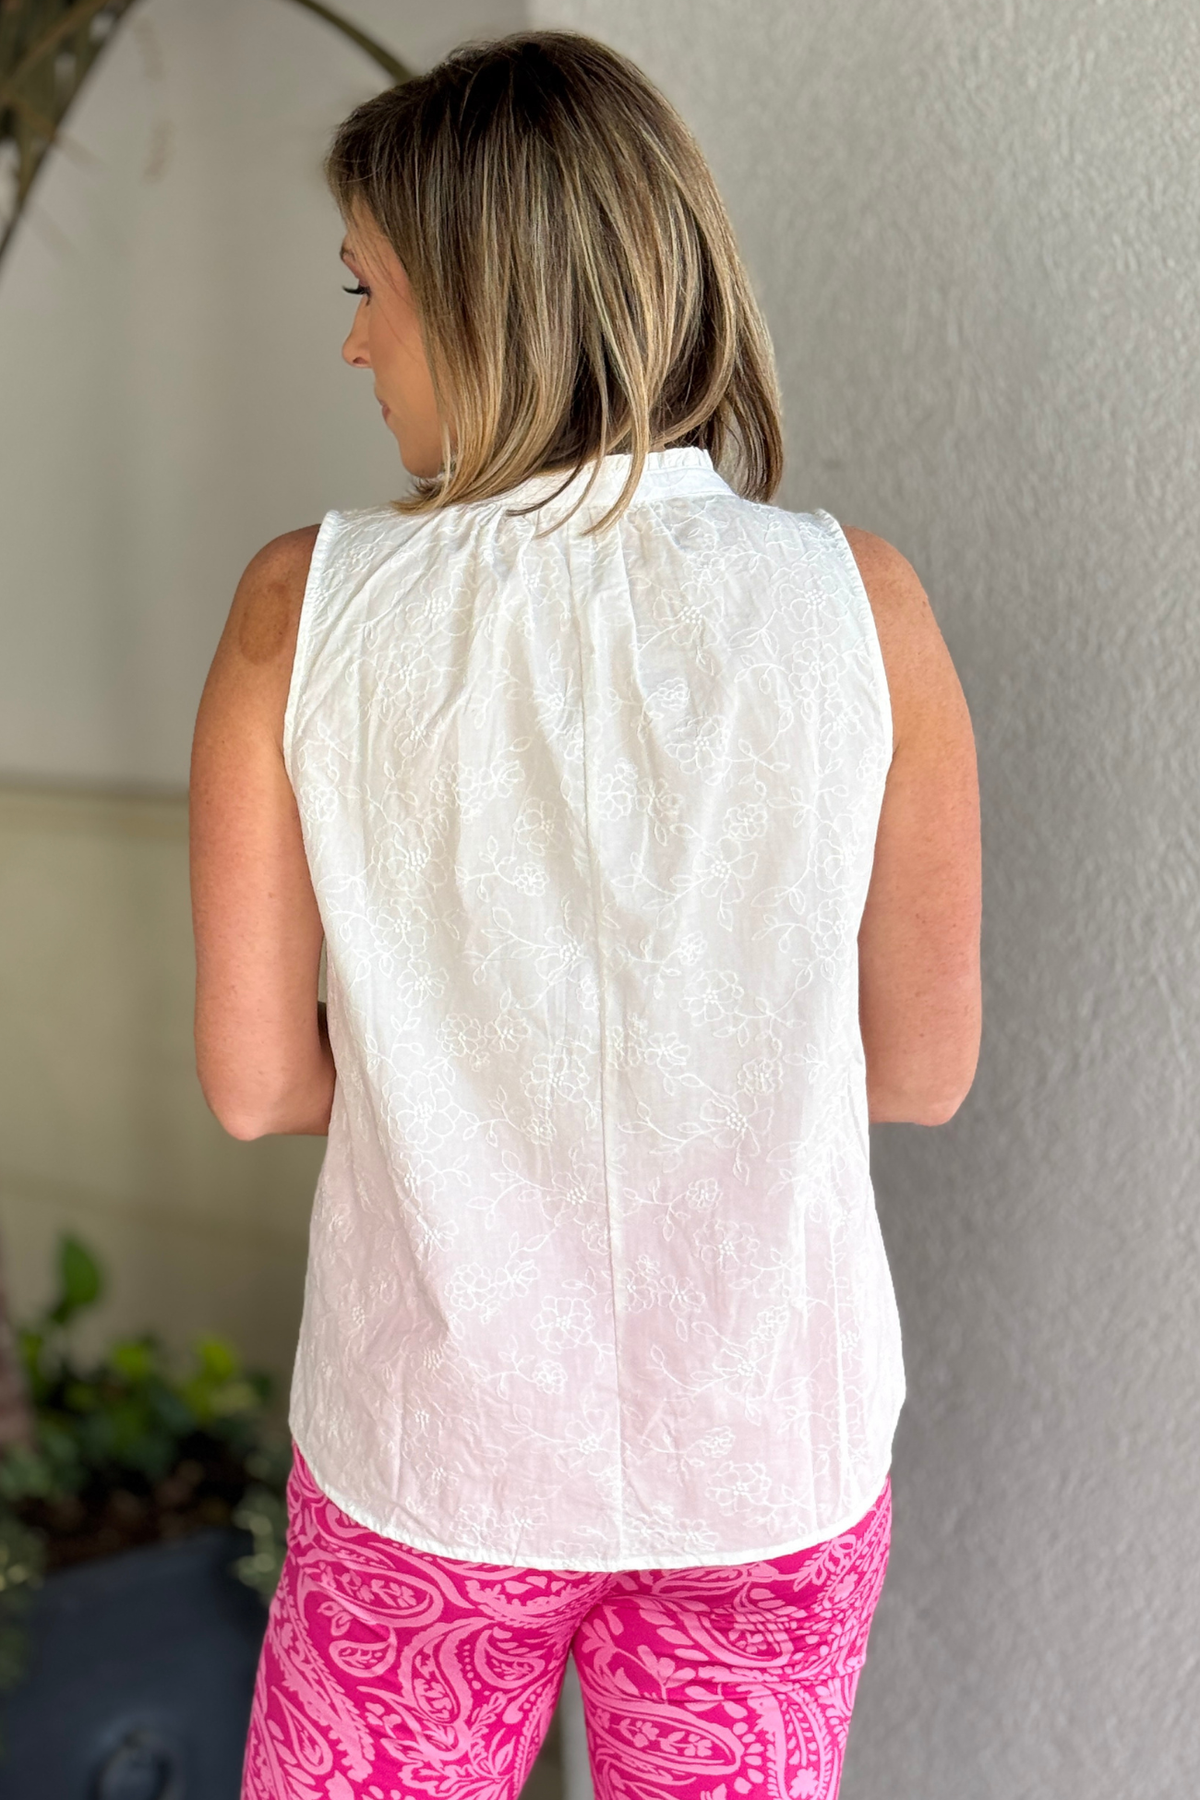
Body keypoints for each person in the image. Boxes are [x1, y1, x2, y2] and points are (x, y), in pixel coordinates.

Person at [189, 29, 981, 1800]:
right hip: (767, 1458)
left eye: (368, 287)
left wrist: (466, 1090)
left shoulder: (300, 614)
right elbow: (921, 1069)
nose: (352, 341)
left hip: (432, 1460)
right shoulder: (865, 607)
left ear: (480, 298)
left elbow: (254, 1083)